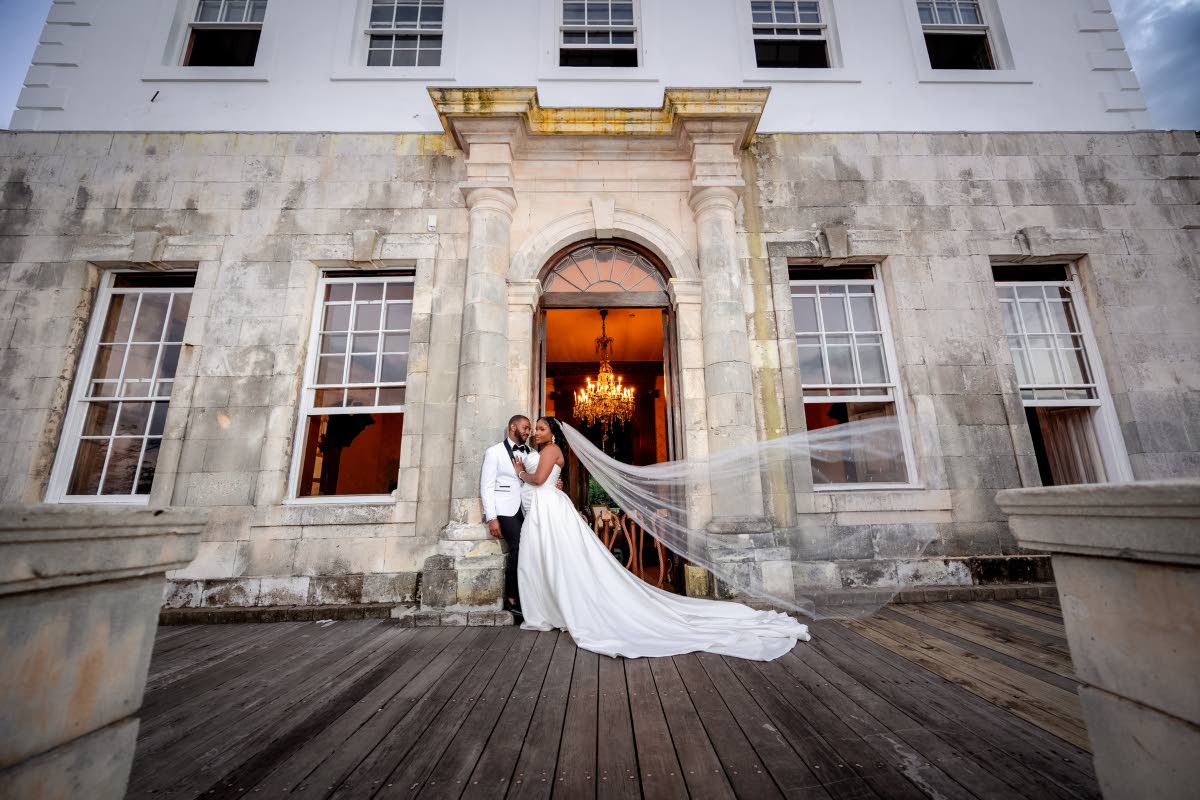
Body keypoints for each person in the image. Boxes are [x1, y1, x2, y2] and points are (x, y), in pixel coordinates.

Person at [512, 416, 810, 661]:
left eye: (541, 428)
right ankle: (551, 609)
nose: (537, 432)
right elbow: (548, 479)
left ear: (553, 433)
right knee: (545, 558)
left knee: (553, 557)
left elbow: (539, 480)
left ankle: (554, 611)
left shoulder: (550, 450)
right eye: (535, 428)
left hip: (548, 507)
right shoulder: (544, 451)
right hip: (546, 507)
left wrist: (521, 472)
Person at [481, 414, 532, 617]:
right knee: (518, 547)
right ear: (513, 427)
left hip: (527, 508)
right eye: (525, 427)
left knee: (531, 549)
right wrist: (491, 517)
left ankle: (529, 596)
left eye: (529, 429)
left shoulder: (531, 452)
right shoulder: (493, 452)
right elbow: (486, 486)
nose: (528, 432)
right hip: (505, 509)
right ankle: (513, 597)